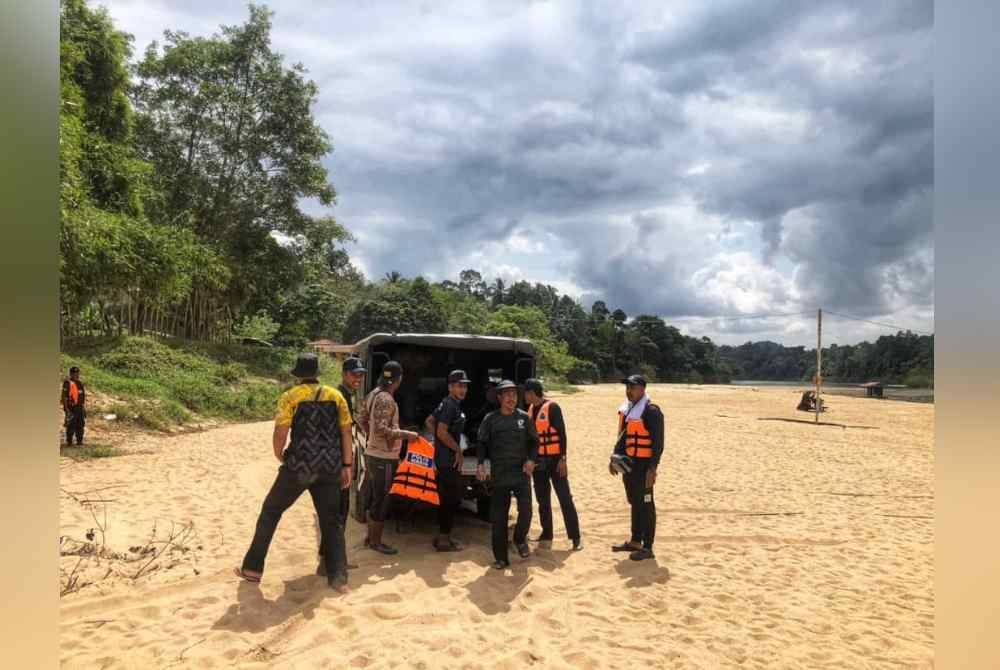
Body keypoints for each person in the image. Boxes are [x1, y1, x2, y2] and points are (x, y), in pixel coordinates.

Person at [235, 353, 353, 592]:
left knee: (271, 511)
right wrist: (347, 465)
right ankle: (338, 578)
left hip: (299, 467)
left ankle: (252, 568)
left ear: (298, 375)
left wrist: (280, 455)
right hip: (330, 467)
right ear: (318, 374)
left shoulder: (290, 396)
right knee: (332, 522)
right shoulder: (336, 395)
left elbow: (281, 431)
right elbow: (346, 432)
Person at [358, 361, 419, 555]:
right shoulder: (386, 399)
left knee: (376, 497)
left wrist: (372, 437)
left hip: (374, 454)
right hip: (383, 458)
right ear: (399, 379)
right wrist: (406, 435)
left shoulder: (373, 394)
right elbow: (384, 430)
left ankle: (370, 538)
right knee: (382, 499)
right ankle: (376, 542)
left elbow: (362, 419)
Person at [476, 380, 537, 570]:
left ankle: (519, 539)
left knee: (526, 510)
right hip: (500, 474)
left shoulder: (524, 418)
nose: (511, 398)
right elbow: (482, 443)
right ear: (500, 398)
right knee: (499, 518)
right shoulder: (490, 419)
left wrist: (531, 460)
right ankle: (501, 558)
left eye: (514, 394)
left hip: (521, 473)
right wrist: (480, 464)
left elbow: (534, 442)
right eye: (507, 394)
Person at [316, 356, 366, 577]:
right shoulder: (340, 396)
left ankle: (330, 561)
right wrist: (345, 464)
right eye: (355, 374)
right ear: (344, 374)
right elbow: (338, 432)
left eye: (361, 375)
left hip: (338, 460)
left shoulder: (346, 395)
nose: (358, 378)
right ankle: (331, 564)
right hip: (337, 463)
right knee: (338, 513)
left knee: (337, 513)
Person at [609, 374, 665, 562]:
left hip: (644, 466)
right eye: (627, 387)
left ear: (642, 389)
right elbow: (622, 438)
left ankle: (648, 547)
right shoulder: (628, 411)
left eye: (632, 387)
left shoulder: (651, 411)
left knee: (647, 504)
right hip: (629, 464)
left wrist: (653, 468)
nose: (628, 391)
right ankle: (635, 541)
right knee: (635, 502)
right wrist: (614, 459)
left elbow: (658, 443)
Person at [524, 378, 582, 551]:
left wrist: (563, 460)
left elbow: (562, 435)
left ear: (532, 393)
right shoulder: (530, 410)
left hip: (555, 461)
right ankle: (547, 534)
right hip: (539, 463)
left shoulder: (553, 408)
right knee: (543, 500)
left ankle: (575, 537)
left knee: (565, 498)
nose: (524, 396)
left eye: (526, 393)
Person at [431, 370, 471, 552]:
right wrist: (456, 449)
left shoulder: (449, 403)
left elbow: (429, 422)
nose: (463, 389)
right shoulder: (450, 406)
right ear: (450, 387)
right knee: (449, 499)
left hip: (444, 457)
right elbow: (440, 431)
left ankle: (443, 537)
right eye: (459, 386)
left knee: (448, 498)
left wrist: (440, 441)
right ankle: (444, 540)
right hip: (447, 460)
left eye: (465, 386)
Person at [62, 366, 86, 446]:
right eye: (74, 373)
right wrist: (66, 409)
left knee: (80, 425)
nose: (76, 375)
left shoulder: (80, 383)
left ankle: (79, 441)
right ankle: (69, 442)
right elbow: (64, 397)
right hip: (71, 408)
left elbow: (82, 396)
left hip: (79, 408)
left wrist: (83, 408)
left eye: (77, 373)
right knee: (71, 425)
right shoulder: (67, 383)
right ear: (71, 374)